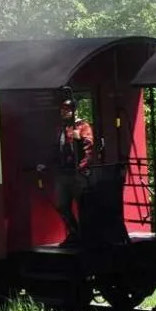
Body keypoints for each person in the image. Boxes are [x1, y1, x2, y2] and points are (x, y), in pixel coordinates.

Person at [54, 96, 94, 242]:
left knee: (82, 206)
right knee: (61, 205)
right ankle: (74, 233)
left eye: (67, 109)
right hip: (63, 173)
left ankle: (87, 236)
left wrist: (82, 168)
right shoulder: (61, 128)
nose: (63, 111)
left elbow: (89, 150)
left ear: (74, 110)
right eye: (62, 109)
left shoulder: (83, 126)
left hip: (78, 173)